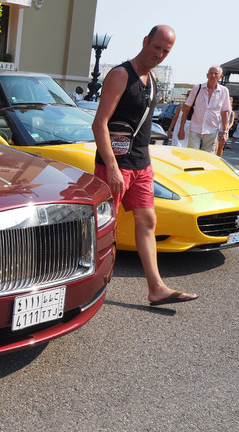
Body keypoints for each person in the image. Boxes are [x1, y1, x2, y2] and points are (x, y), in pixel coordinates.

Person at [92, 25, 198, 307]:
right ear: (145, 41)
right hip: (115, 165)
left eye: (166, 51)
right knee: (103, 226)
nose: (160, 54)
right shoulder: (120, 75)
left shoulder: (150, 80)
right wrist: (112, 167)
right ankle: (87, 286)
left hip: (141, 164)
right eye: (157, 47)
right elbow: (99, 123)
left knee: (148, 220)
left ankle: (156, 288)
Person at [177, 66, 231, 155]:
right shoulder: (197, 88)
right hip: (195, 128)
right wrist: (181, 128)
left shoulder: (224, 91)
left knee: (207, 158)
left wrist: (224, 132)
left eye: (215, 73)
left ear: (220, 76)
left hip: (212, 130)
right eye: (211, 73)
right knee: (192, 155)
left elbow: (225, 112)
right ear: (207, 75)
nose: (213, 75)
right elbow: (186, 109)